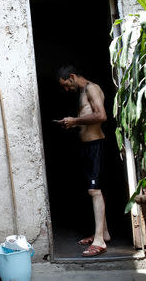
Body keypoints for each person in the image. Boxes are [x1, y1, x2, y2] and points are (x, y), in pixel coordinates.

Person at [56, 65, 111, 257]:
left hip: (95, 145)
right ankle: (103, 233)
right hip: (87, 146)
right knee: (94, 191)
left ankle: (99, 241)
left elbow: (101, 116)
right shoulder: (82, 92)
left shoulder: (91, 88)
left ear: (72, 76)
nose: (66, 89)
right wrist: (72, 123)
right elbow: (88, 116)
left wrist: (75, 121)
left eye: (66, 85)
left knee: (94, 190)